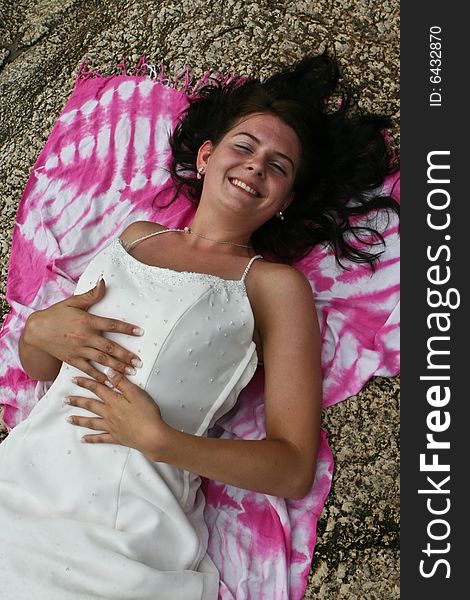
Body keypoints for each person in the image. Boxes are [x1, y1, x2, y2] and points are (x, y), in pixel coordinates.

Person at [0, 53, 398, 599]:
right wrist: (37, 333)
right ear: (207, 158)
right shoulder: (133, 236)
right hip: (18, 481)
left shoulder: (275, 287)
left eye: (279, 166)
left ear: (286, 199)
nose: (257, 166)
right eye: (244, 147)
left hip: (124, 525)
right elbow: (47, 366)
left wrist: (161, 440)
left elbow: (291, 467)